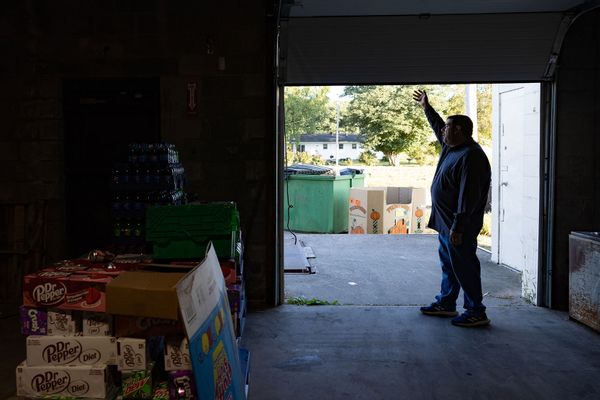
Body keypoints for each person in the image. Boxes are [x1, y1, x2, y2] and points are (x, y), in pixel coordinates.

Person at [412, 89, 491, 327]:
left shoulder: (471, 156)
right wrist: (427, 108)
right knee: (450, 265)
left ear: (459, 131)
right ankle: (447, 303)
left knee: (465, 266)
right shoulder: (451, 147)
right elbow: (437, 127)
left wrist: (458, 227)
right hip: (446, 225)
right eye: (445, 128)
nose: (443, 131)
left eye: (448, 127)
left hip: (460, 227)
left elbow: (468, 198)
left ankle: (476, 310)